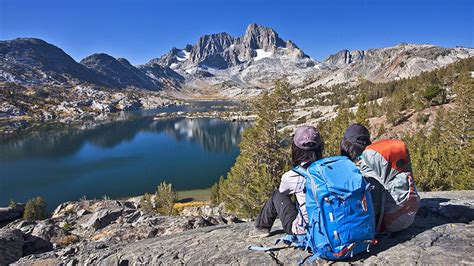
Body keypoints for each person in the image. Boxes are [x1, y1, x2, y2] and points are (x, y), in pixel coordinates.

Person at [251, 125, 323, 237]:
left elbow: (283, 192)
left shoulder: (292, 176)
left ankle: (262, 228)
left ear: (295, 149)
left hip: (307, 230)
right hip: (333, 225)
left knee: (277, 195)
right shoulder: (329, 169)